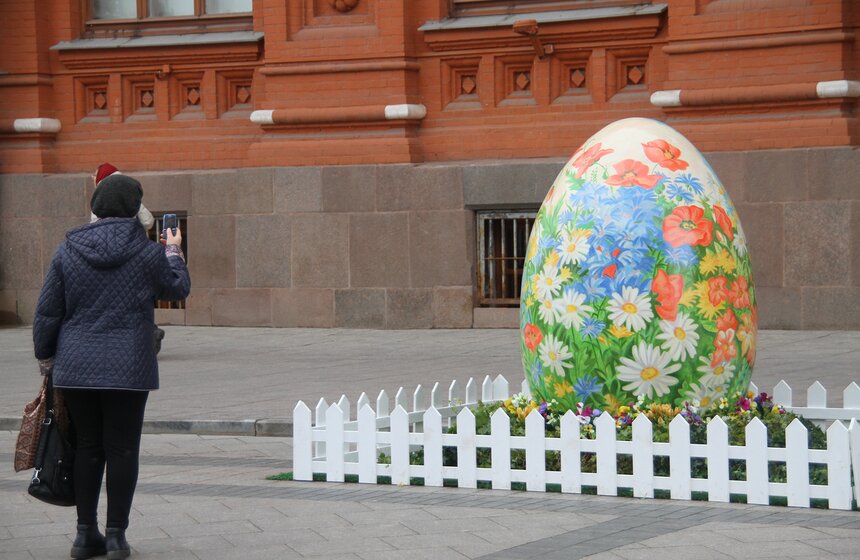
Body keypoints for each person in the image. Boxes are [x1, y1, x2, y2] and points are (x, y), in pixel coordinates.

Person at [32, 174, 191, 560]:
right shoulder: (148, 252)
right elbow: (177, 289)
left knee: (87, 446)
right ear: (135, 209)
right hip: (129, 366)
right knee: (122, 449)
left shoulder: (67, 249)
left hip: (76, 365)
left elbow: (48, 310)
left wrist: (45, 356)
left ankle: (85, 536)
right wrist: (173, 252)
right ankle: (117, 536)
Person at [90, 163, 166, 353]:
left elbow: (94, 231)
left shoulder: (100, 203)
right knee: (136, 298)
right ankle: (149, 332)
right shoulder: (131, 198)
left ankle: (143, 334)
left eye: (94, 176)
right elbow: (148, 221)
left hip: (108, 259)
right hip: (134, 254)